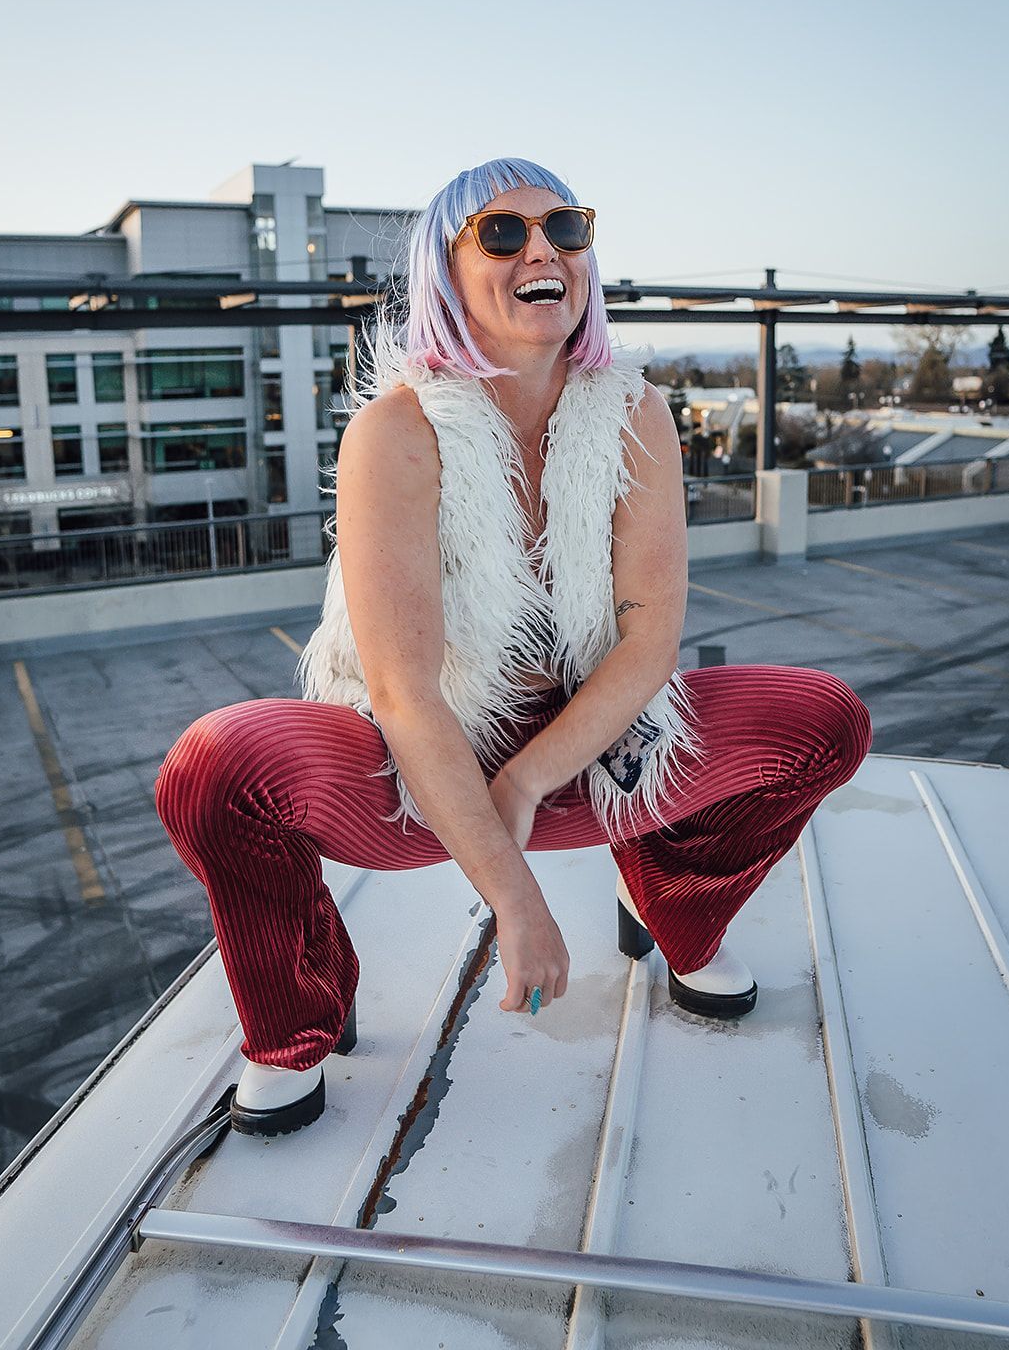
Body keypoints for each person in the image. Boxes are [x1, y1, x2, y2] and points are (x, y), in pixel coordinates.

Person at [154, 156, 872, 1138]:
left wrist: (530, 781)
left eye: (564, 229)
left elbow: (645, 642)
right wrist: (517, 900)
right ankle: (295, 1018)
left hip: (588, 745)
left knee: (823, 719)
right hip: (417, 758)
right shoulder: (394, 433)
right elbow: (406, 694)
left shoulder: (636, 415)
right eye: (501, 233)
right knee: (216, 768)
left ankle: (671, 898)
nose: (542, 250)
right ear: (445, 274)